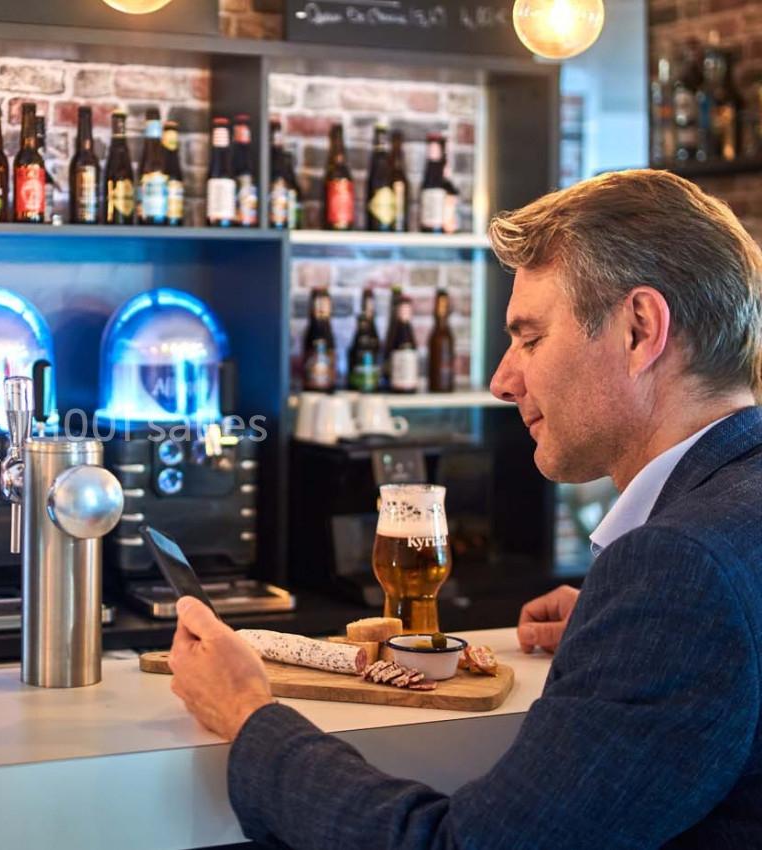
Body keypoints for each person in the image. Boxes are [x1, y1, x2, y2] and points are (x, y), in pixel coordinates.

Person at [168, 169, 762, 847]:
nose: (503, 381)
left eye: (530, 339)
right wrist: (621, 634)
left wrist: (248, 715)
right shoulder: (711, 547)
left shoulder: (679, 570)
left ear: (639, 329)